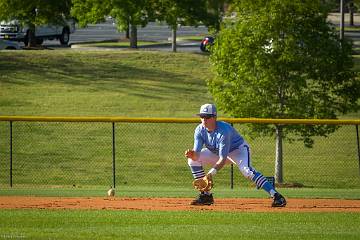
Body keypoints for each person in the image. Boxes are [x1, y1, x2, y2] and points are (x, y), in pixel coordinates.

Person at [185, 103, 286, 207]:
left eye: (207, 117)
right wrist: (193, 155)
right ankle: (206, 196)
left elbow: (222, 159)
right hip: (217, 152)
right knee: (192, 161)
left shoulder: (223, 131)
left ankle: (277, 196)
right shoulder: (199, 130)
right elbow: (197, 155)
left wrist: (210, 174)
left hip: (238, 150)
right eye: (202, 116)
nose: (204, 119)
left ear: (214, 117)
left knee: (247, 171)